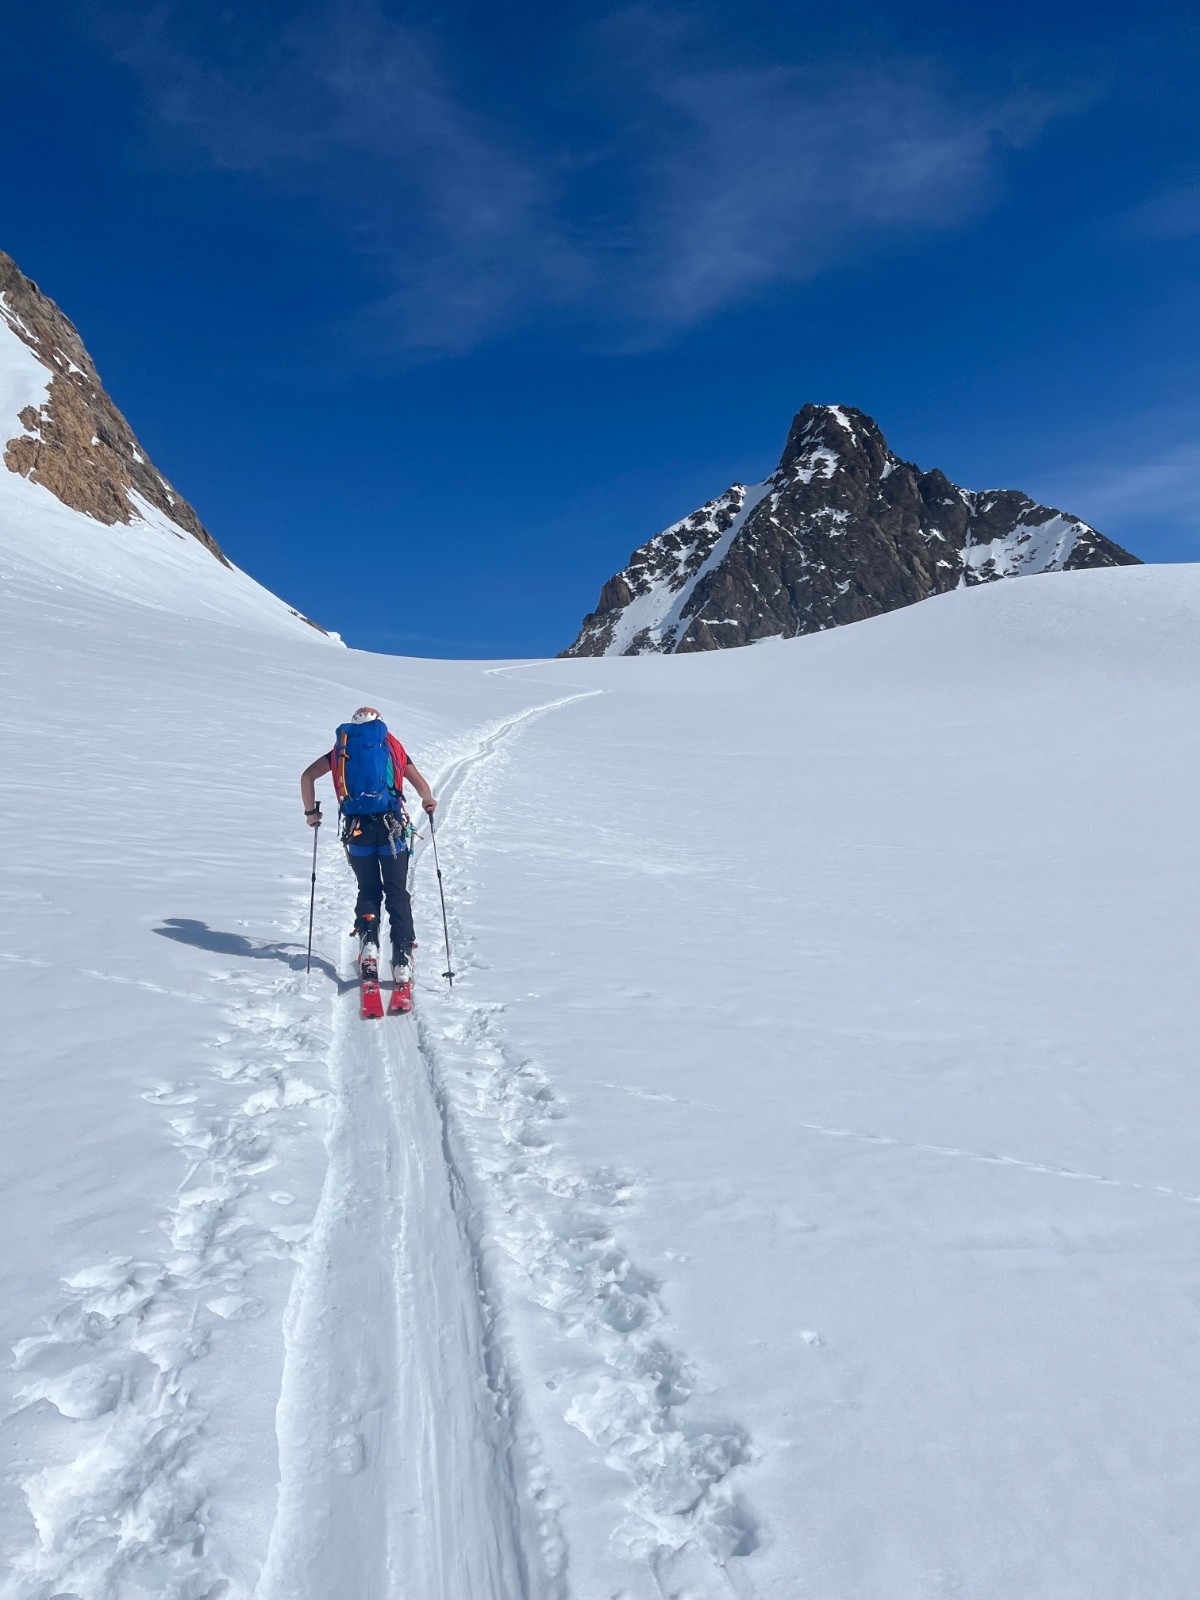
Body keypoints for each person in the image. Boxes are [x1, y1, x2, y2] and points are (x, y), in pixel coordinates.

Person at [300, 707, 437, 981]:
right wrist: (428, 800)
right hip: (392, 829)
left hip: (358, 830)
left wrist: (311, 813)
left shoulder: (342, 750)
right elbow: (420, 784)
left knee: (369, 889)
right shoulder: (391, 747)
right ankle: (401, 957)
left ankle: (369, 945)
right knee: (397, 892)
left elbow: (307, 777)